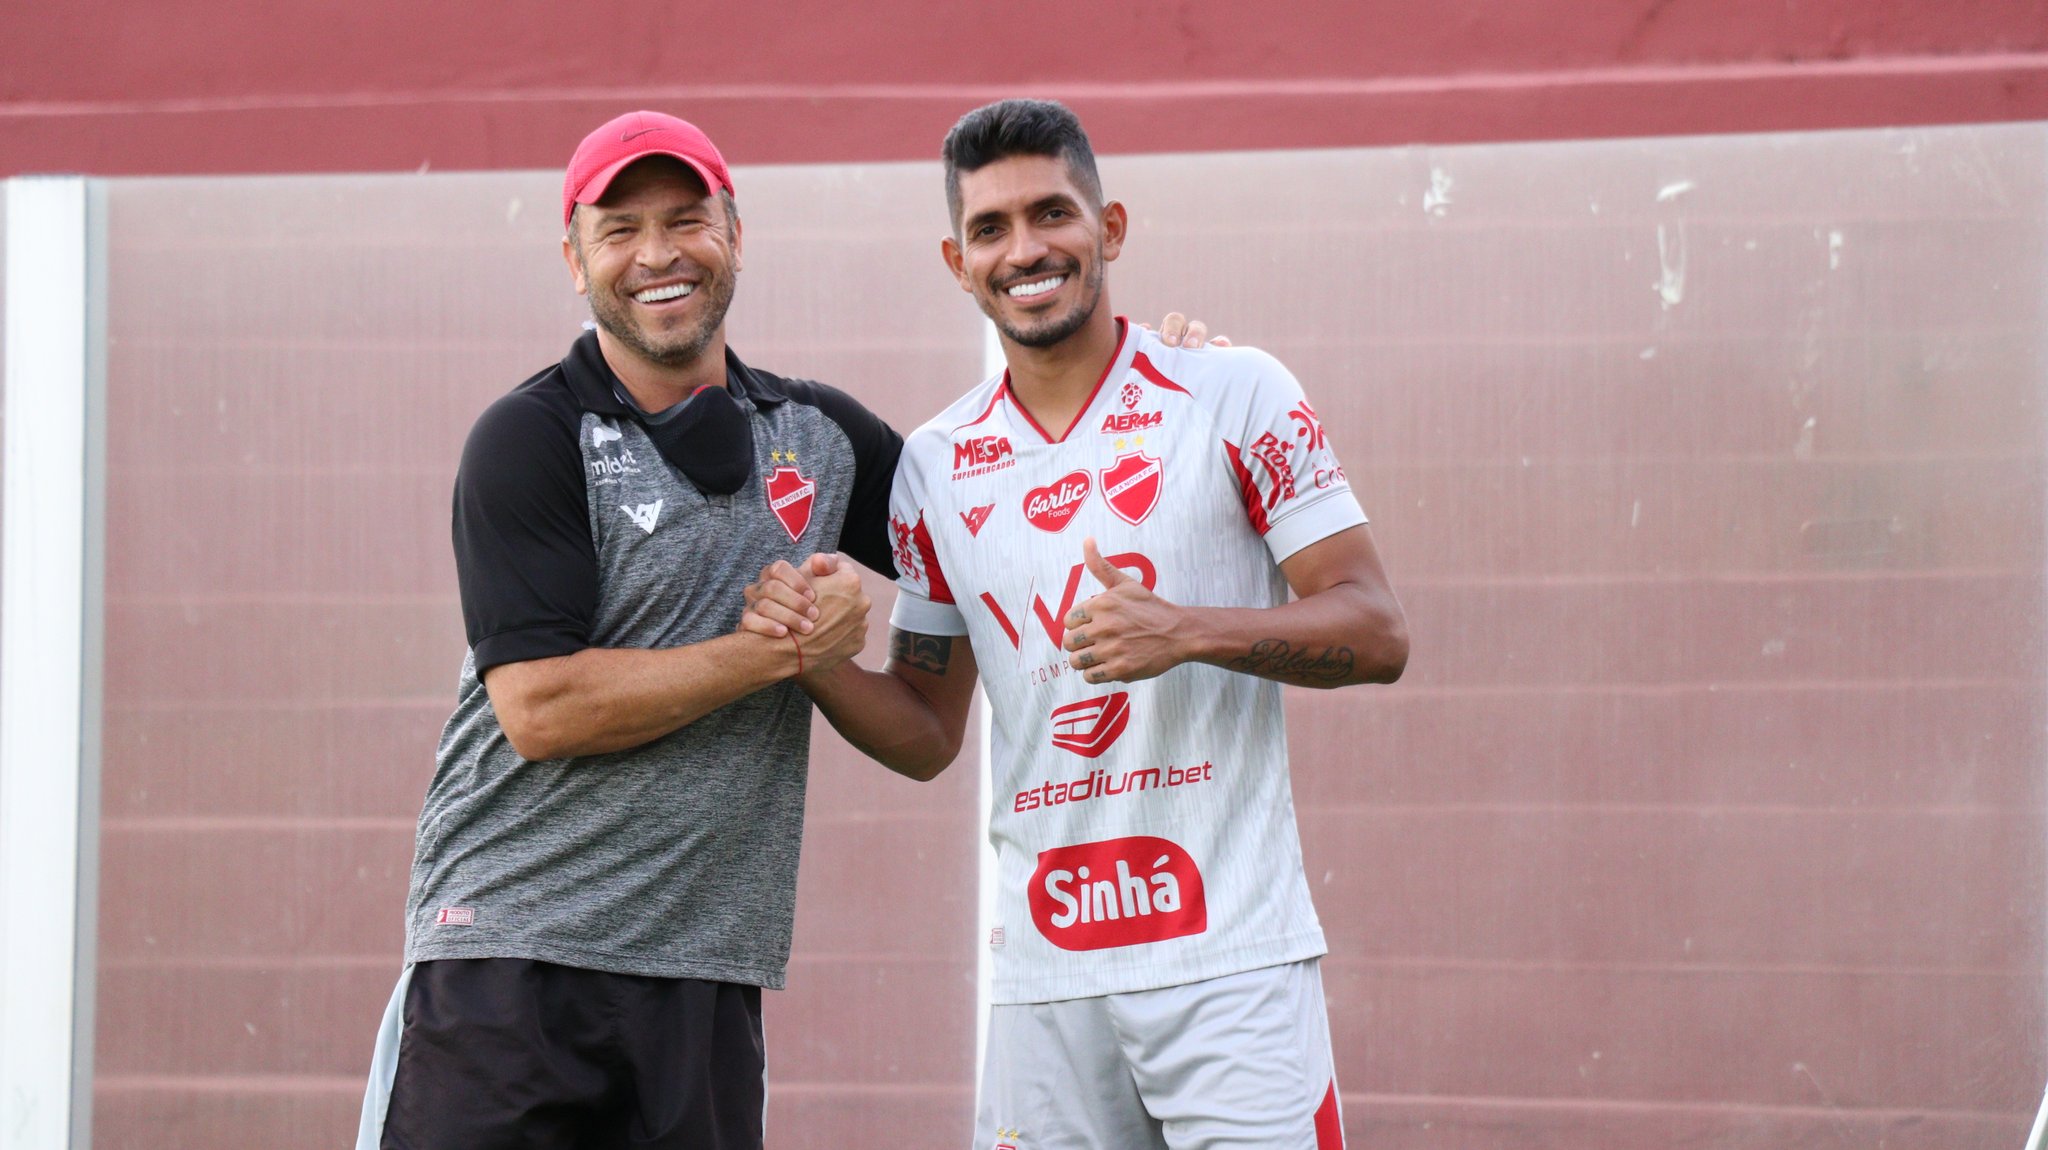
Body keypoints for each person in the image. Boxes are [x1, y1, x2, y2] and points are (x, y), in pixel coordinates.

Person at [357, 109, 1221, 1150]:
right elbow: (540, 709)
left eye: (686, 219)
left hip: (707, 981)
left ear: (734, 231)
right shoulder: (530, 437)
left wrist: (1160, 391)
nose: (657, 253)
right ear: (574, 261)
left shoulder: (820, 438)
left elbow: (1016, 511)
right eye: (619, 229)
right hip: (505, 971)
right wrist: (780, 650)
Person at [742, 99, 1409, 1149]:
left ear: (1111, 228)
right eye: (993, 229)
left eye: (1052, 212)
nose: (1027, 248)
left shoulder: (1232, 392)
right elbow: (925, 730)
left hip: (1229, 965)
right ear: (957, 262)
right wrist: (809, 660)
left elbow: (1376, 631)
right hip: (1044, 983)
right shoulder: (931, 467)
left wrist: (1186, 631)